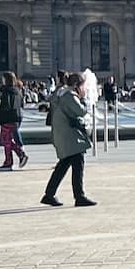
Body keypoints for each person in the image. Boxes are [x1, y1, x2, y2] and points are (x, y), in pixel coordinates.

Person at [40, 73, 96, 208]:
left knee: (63, 165)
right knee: (78, 164)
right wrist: (85, 100)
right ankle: (79, 196)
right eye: (83, 86)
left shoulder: (61, 94)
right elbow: (81, 111)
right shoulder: (70, 96)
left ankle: (49, 194)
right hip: (71, 136)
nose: (85, 89)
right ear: (77, 86)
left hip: (64, 134)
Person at [0, 71, 28, 170]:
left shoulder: (6, 91)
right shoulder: (17, 91)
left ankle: (15, 157)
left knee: (6, 140)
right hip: (16, 118)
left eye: (3, 78)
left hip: (7, 118)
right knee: (7, 140)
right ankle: (10, 160)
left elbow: (5, 106)